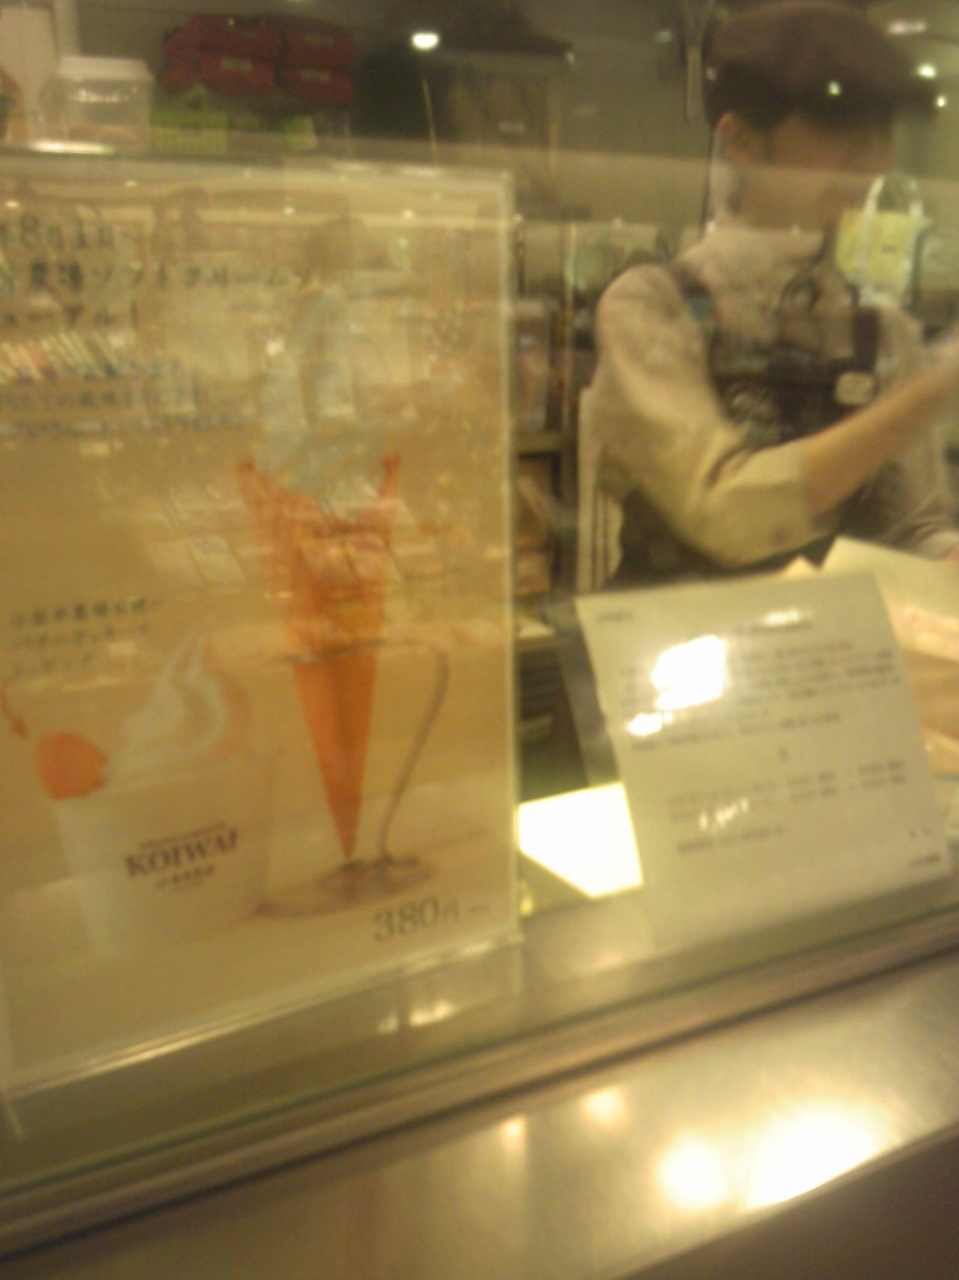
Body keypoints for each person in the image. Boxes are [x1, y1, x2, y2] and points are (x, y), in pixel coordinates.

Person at [585, 0, 959, 586]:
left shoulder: (880, 328)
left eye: (881, 131)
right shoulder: (650, 305)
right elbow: (719, 513)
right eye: (838, 126)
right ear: (741, 140)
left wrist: (945, 557)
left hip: (823, 635)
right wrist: (929, 394)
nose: (872, 159)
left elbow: (912, 529)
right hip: (675, 636)